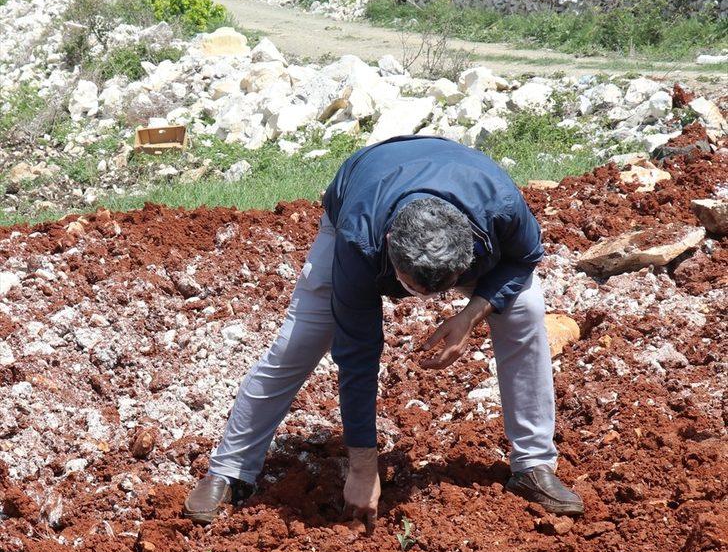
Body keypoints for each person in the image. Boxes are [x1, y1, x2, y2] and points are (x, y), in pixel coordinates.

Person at [184, 135, 583, 527]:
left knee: (525, 307)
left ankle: (533, 465)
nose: (421, 300)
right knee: (301, 339)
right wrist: (362, 467)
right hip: (364, 186)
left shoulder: (501, 206)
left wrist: (471, 314)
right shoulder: (359, 239)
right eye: (411, 287)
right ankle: (229, 469)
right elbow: (357, 352)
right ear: (390, 245)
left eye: (438, 290)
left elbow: (525, 258)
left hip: (458, 183)